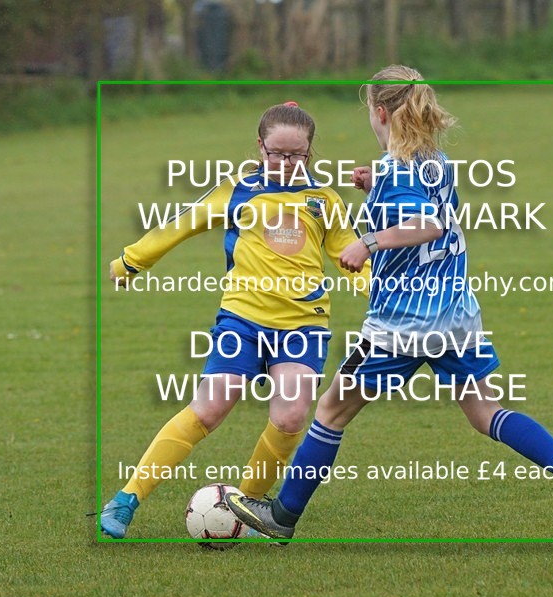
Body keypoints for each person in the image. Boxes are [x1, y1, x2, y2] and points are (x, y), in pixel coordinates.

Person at [226, 66, 553, 540]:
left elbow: (428, 226)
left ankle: (282, 518)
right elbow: (427, 205)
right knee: (486, 414)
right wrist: (375, 188)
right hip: (457, 313)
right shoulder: (434, 160)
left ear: (379, 112)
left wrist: (368, 242)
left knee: (330, 413)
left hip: (404, 320)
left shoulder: (398, 170)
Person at [100, 102, 370, 538]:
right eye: (276, 153)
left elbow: (350, 257)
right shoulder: (237, 191)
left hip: (303, 326)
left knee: (290, 419)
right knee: (209, 409)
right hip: (242, 321)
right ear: (260, 146)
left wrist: (383, 294)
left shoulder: (324, 202)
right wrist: (131, 261)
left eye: (295, 155)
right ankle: (127, 499)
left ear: (309, 152)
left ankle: (243, 512)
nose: (285, 163)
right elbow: (179, 225)